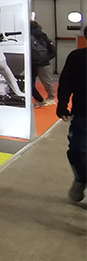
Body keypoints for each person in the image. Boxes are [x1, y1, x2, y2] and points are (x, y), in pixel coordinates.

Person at [57, 26, 86, 202]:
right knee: (77, 151)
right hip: (83, 113)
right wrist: (62, 104)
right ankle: (81, 178)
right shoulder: (77, 57)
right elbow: (66, 82)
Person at [30, 21, 57, 106]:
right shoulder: (42, 36)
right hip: (43, 61)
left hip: (32, 61)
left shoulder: (28, 36)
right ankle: (51, 97)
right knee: (47, 81)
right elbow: (52, 51)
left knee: (31, 82)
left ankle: (39, 99)